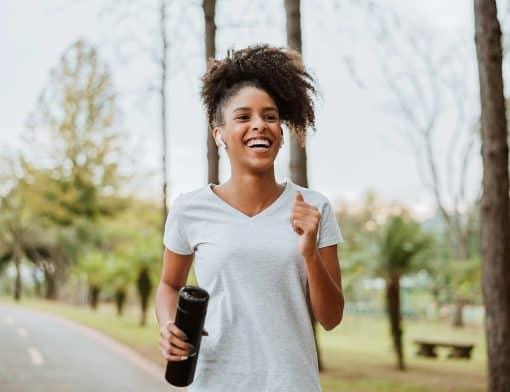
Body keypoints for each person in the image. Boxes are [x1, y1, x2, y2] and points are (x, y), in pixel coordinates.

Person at [155, 44, 345, 392]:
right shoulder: (189, 209)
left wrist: (309, 254)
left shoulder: (314, 208)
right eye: (244, 117)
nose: (259, 125)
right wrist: (169, 325)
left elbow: (331, 318)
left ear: (281, 132)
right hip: (215, 383)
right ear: (220, 134)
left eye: (270, 117)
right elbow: (169, 285)